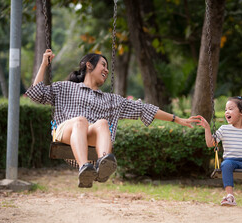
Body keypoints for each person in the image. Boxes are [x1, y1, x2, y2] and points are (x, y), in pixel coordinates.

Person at [26, 49, 198, 188]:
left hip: (88, 139)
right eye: (103, 65)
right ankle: (84, 168)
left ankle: (103, 166)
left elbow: (144, 109)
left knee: (102, 123)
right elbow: (36, 94)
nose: (107, 70)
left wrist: (178, 119)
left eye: (107, 67)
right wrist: (43, 65)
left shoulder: (111, 100)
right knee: (81, 121)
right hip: (66, 133)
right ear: (89, 66)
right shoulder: (65, 87)